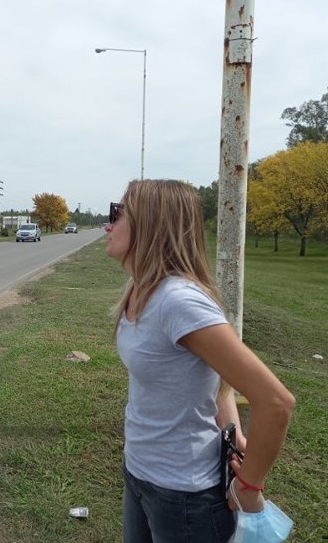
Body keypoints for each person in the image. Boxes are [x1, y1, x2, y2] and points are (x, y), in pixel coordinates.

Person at [105, 179, 295, 543]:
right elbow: (214, 375)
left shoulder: (179, 302)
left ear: (150, 224)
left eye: (118, 212)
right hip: (139, 474)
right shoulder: (139, 288)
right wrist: (233, 431)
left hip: (185, 497)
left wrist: (249, 485)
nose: (108, 224)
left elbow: (276, 402)